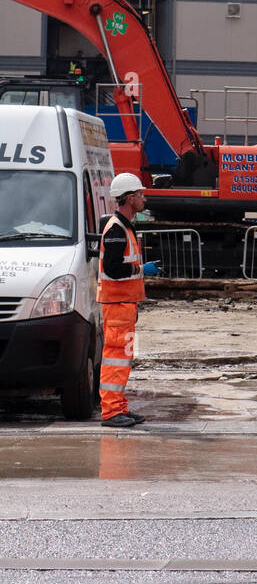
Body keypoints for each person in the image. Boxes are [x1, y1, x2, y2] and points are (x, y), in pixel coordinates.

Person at [96, 173, 160, 429]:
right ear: (130, 198)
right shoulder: (116, 229)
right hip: (117, 305)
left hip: (125, 305)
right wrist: (142, 269)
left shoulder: (123, 226)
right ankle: (111, 411)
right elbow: (113, 269)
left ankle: (118, 406)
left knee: (123, 358)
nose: (144, 198)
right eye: (141, 194)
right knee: (116, 358)